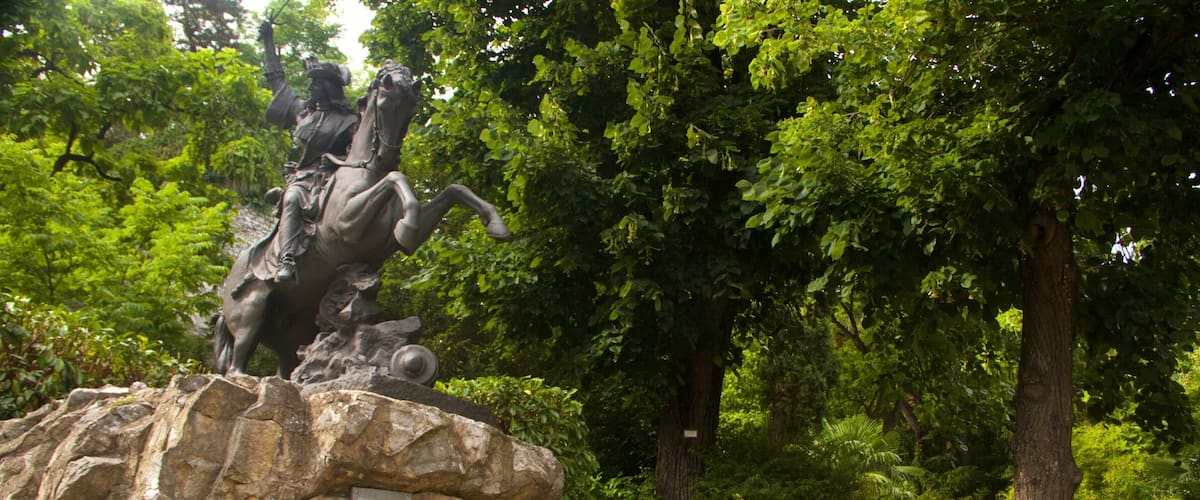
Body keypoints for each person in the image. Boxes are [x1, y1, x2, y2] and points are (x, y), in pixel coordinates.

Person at [258, 21, 358, 283]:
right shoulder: (303, 112)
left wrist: (339, 161)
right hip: (303, 180)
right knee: (292, 199)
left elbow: (360, 154)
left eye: (316, 83)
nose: (311, 87)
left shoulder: (348, 121)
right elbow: (276, 80)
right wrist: (268, 41)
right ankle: (287, 259)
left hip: (334, 176)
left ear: (328, 87)